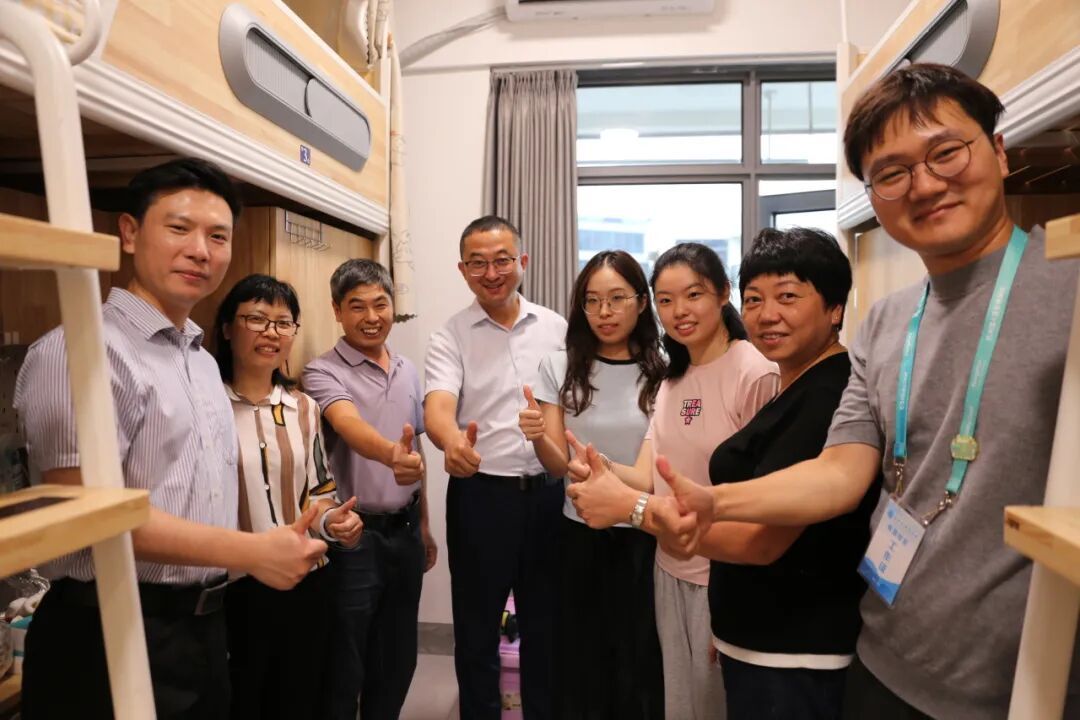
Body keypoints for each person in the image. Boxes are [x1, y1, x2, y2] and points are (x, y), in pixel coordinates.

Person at [649, 63, 1080, 719]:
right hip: (881, 662)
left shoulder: (1067, 288)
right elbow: (838, 473)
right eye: (892, 172)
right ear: (874, 196)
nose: (924, 184)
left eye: (946, 152)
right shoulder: (886, 321)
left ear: (998, 151)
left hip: (1023, 687)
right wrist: (714, 503)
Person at [14, 158, 327, 720]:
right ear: (130, 233)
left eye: (218, 236)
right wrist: (253, 552)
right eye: (179, 228)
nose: (200, 251)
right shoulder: (80, 351)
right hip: (108, 629)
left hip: (201, 630)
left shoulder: (202, 362)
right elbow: (86, 515)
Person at [568, 242, 779, 720]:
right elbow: (648, 476)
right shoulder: (672, 379)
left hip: (724, 576)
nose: (679, 311)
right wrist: (599, 467)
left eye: (693, 294)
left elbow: (765, 500)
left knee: (718, 705)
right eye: (666, 300)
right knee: (681, 706)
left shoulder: (754, 372)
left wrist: (738, 601)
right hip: (669, 568)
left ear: (724, 293)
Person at [675, 228, 878, 719]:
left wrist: (641, 514)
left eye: (787, 296)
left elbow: (761, 542)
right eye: (754, 299)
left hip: (797, 652)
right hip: (763, 639)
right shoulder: (792, 385)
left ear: (835, 308)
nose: (766, 314)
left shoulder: (831, 394)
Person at [424, 215, 567, 720]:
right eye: (478, 263)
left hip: (550, 495)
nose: (491, 273)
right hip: (481, 495)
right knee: (477, 629)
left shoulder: (555, 328)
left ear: (522, 262)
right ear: (463, 270)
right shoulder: (450, 336)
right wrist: (450, 441)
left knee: (548, 626)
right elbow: (438, 406)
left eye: (502, 260)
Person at [519, 250, 666, 719]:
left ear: (641, 301)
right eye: (593, 300)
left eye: (617, 298)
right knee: (581, 662)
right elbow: (558, 464)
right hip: (579, 533)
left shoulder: (665, 369)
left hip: (646, 534)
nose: (604, 312)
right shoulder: (559, 365)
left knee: (639, 660)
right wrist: (538, 436)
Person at [211, 274, 363, 720]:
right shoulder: (207, 406)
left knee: (302, 700)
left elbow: (318, 492)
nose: (271, 333)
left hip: (305, 583)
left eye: (283, 323)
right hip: (235, 588)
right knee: (243, 703)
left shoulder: (304, 408)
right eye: (257, 319)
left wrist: (334, 522)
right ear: (227, 328)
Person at [301, 259, 435, 720]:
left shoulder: (407, 369)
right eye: (357, 306)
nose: (371, 317)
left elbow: (415, 451)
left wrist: (424, 524)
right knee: (346, 661)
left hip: (405, 532)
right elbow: (349, 425)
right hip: (354, 539)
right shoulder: (321, 371)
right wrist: (390, 455)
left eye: (381, 304)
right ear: (337, 310)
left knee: (397, 658)